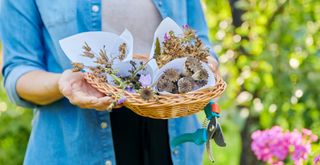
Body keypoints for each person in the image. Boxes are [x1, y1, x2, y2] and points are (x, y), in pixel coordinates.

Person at [0, 0, 219, 165]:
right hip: (77, 142)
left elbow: (198, 41)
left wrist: (205, 64)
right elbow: (19, 72)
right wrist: (63, 83)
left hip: (170, 131)